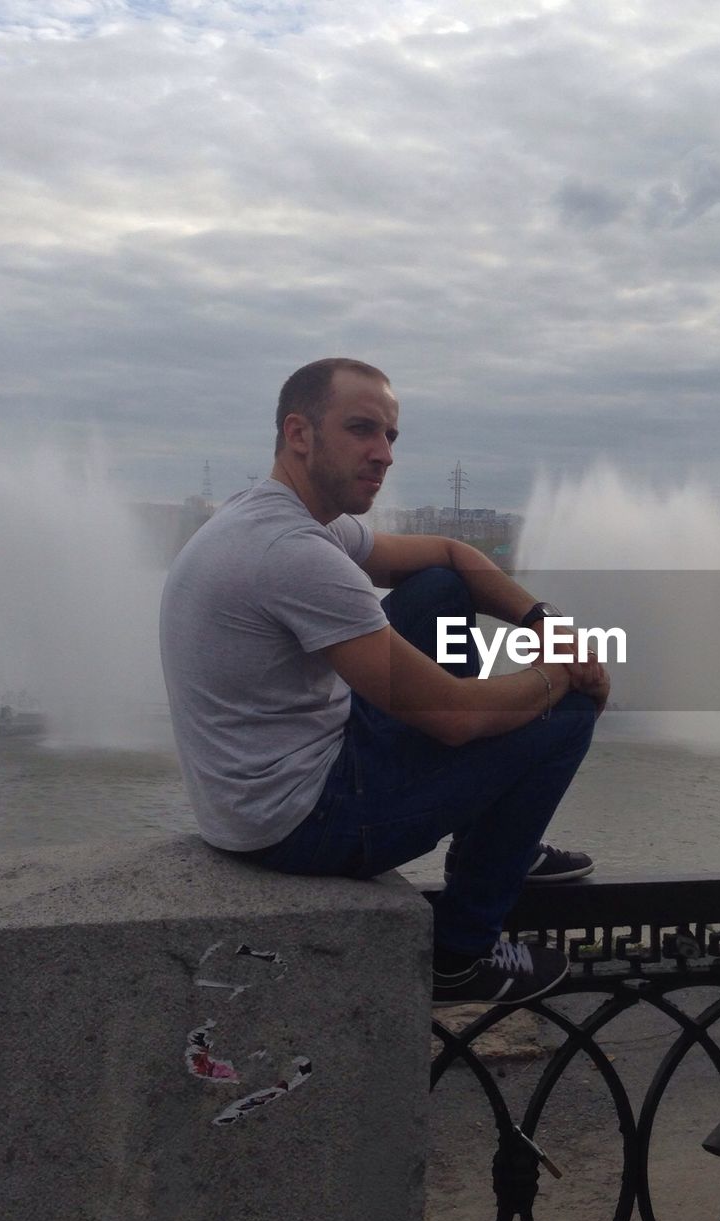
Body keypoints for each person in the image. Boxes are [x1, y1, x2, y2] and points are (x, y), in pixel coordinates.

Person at [160, 358, 610, 1005]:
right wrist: (562, 673)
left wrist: (542, 622)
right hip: (300, 822)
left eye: (391, 436)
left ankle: (495, 840)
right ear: (299, 433)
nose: (383, 454)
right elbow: (453, 716)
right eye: (362, 430)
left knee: (439, 587)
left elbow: (453, 556)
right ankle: (462, 951)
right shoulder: (294, 554)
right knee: (563, 720)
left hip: (268, 787)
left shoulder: (288, 519)